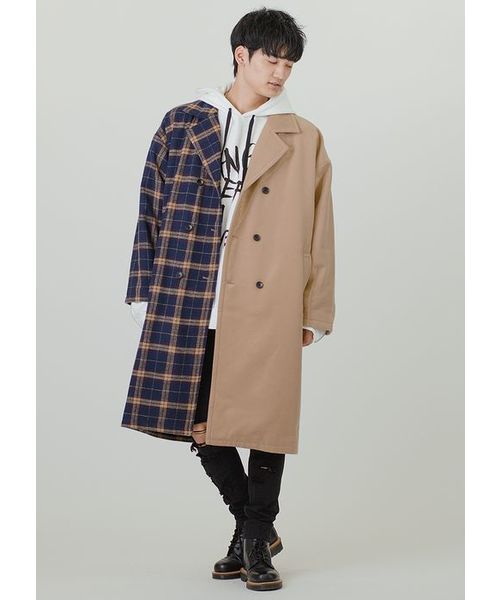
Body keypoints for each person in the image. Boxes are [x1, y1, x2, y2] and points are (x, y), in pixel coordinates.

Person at [123, 7, 335, 592]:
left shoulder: (303, 136)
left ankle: (255, 541)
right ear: (241, 55)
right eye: (272, 60)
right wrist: (145, 288)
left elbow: (321, 228)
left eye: (290, 65)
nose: (281, 74)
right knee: (198, 422)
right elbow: (149, 207)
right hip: (190, 292)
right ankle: (254, 528)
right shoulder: (181, 122)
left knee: (265, 424)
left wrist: (315, 311)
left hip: (269, 299)